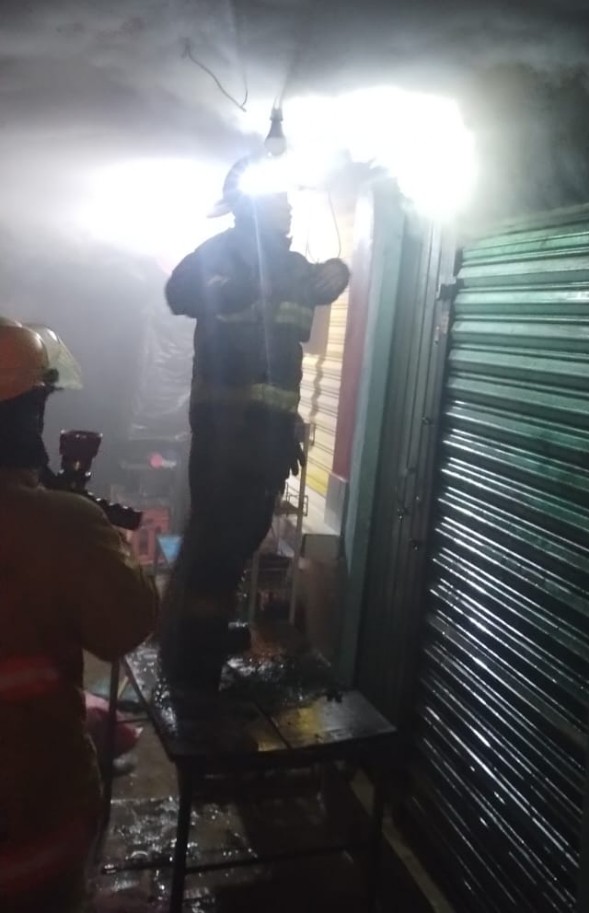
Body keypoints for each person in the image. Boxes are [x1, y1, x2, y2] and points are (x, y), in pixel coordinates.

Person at [160, 157, 349, 691]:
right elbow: (179, 293)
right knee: (217, 542)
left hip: (269, 427)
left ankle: (199, 635)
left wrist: (340, 270)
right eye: (277, 200)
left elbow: (322, 285)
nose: (288, 208)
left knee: (242, 535)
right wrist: (230, 287)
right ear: (249, 207)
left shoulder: (291, 265)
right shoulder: (221, 252)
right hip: (228, 426)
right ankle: (193, 662)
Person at [0, 317, 158, 912]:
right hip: (29, 833)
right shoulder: (60, 525)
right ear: (26, 417)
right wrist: (97, 536)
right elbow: (127, 625)